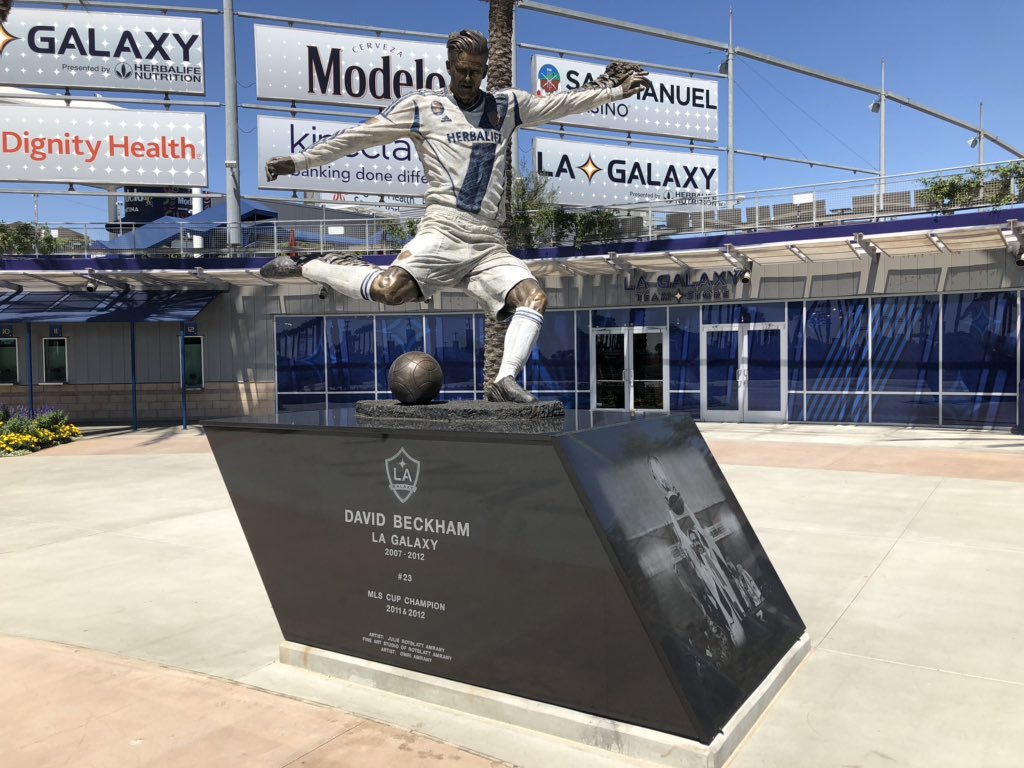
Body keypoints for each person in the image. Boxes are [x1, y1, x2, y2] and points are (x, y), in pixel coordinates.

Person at [260, 29, 650, 403]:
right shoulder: (422, 108)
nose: (469, 78)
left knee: (533, 297)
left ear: (484, 69)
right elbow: (360, 136)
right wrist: (301, 160)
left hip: (487, 243)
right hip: (443, 229)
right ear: (448, 65)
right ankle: (312, 264)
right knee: (388, 291)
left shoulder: (506, 105)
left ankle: (504, 380)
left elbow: (561, 104)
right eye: (462, 69)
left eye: (477, 71)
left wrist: (614, 90)